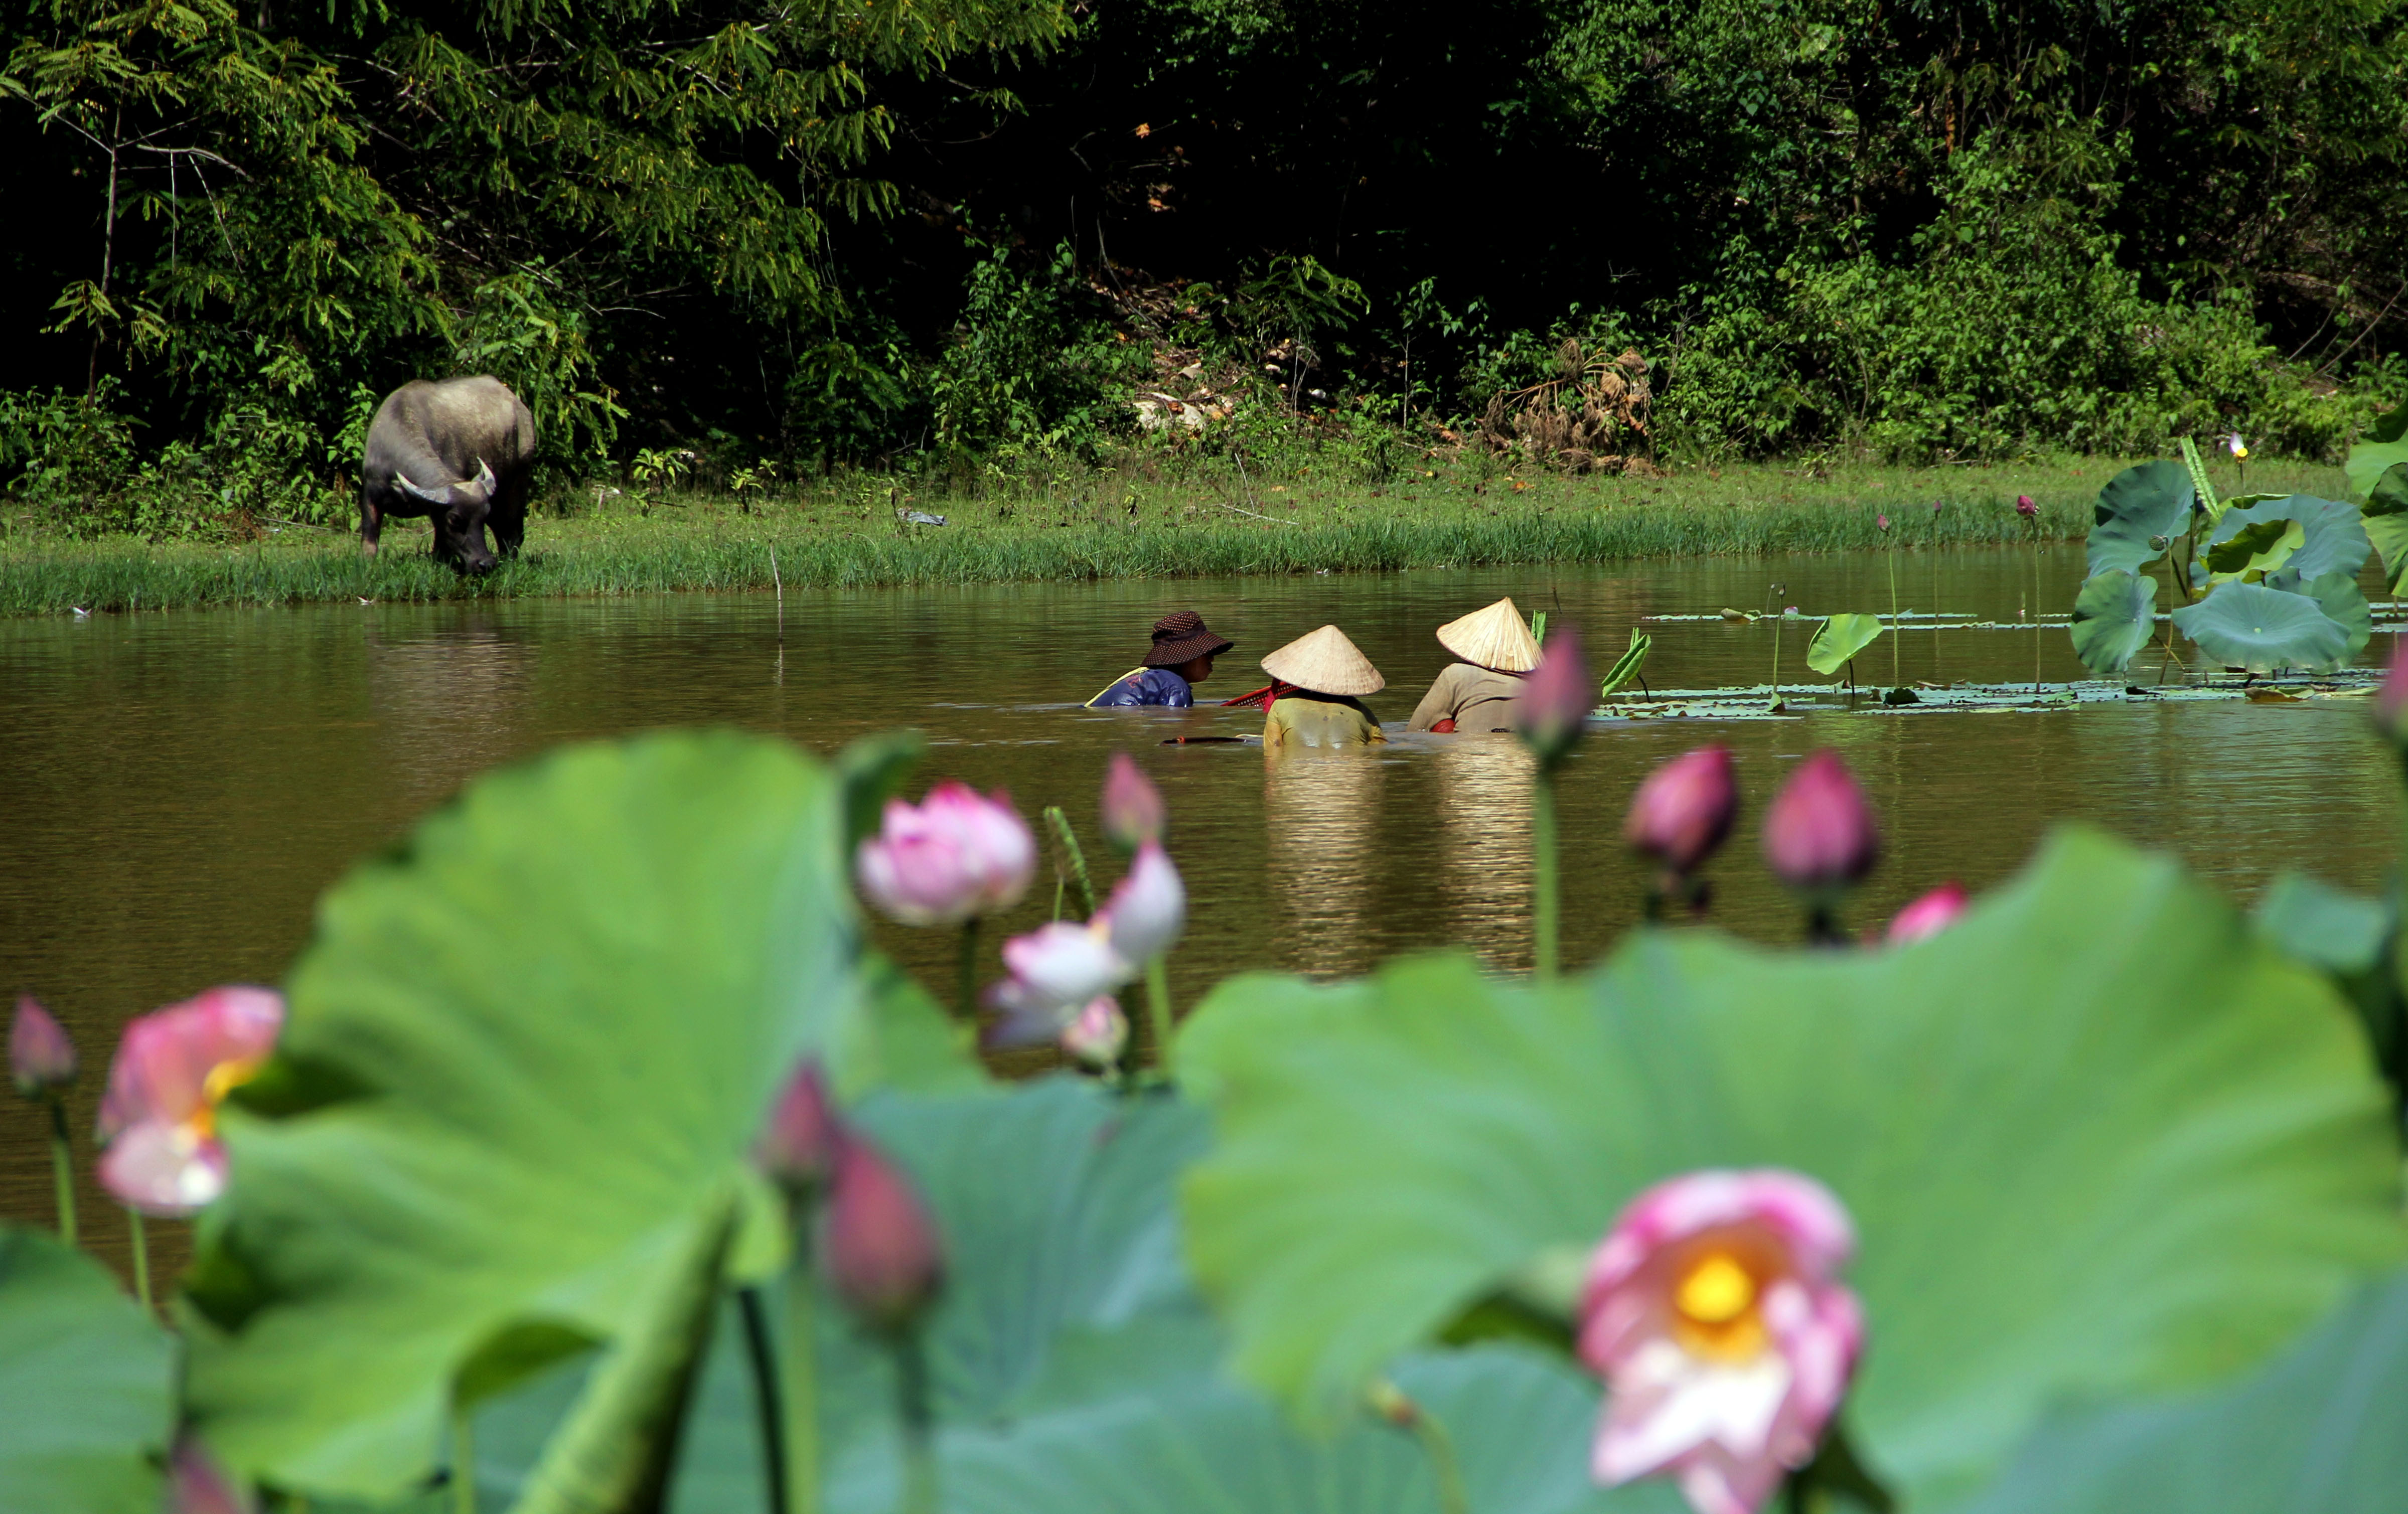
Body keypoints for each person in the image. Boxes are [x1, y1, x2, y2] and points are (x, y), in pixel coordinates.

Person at [1408, 597, 1539, 733]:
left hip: (1469, 750)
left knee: (1441, 727)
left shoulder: (1455, 674)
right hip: (1522, 750)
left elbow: (1415, 729)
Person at [1259, 625, 1388, 748]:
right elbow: (1378, 751)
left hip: (1300, 770)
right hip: (1348, 770)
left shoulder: (1280, 706)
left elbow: (1273, 755)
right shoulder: (1363, 713)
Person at [1088, 611, 1234, 707]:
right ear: (1186, 656)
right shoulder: (1176, 686)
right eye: (1206, 652)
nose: (1212, 659)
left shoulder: (1148, 677)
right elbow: (1175, 725)